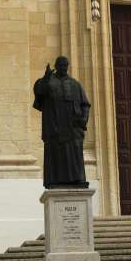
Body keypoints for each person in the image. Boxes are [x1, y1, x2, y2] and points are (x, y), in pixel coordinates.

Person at [33, 55, 90, 188]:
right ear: (56, 66)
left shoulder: (75, 84)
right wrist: (45, 79)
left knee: (74, 153)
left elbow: (85, 104)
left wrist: (83, 120)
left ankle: (77, 180)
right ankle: (55, 181)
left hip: (73, 126)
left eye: (65, 65)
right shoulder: (48, 82)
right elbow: (39, 92)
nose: (63, 68)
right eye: (61, 65)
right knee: (56, 154)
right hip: (54, 125)